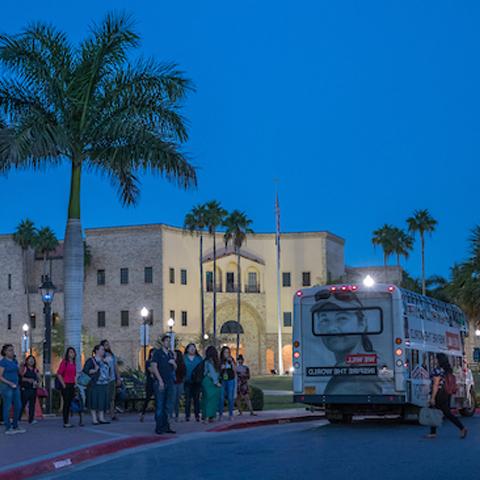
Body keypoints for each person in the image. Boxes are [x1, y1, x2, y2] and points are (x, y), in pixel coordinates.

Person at [427, 353, 467, 439]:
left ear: (438, 360)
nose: (433, 360)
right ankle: (433, 432)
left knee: (441, 411)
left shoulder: (437, 370)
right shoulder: (447, 369)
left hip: (439, 393)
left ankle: (462, 428)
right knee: (437, 410)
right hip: (446, 393)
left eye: (435, 359)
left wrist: (433, 397)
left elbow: (436, 384)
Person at [150, 335, 176, 434]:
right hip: (160, 382)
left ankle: (166, 426)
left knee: (167, 406)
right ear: (162, 342)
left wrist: (174, 364)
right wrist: (160, 380)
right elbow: (154, 367)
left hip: (170, 382)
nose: (168, 343)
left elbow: (174, 368)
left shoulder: (170, 354)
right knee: (160, 405)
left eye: (169, 341)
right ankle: (159, 427)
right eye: (166, 341)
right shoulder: (157, 353)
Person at [0, 344, 25, 434]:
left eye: (12, 350)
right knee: (7, 406)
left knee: (18, 405)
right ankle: (8, 427)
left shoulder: (14, 361)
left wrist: (22, 366)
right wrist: (9, 383)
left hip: (15, 386)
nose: (12, 352)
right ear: (5, 352)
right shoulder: (3, 362)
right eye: (10, 350)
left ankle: (15, 425)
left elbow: (20, 373)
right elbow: (0, 376)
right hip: (6, 387)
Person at [83, 345, 110, 425]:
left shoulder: (105, 361)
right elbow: (86, 371)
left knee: (102, 401)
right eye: (102, 349)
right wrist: (95, 370)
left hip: (104, 383)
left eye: (103, 350)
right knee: (94, 400)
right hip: (94, 384)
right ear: (97, 351)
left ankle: (101, 418)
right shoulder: (91, 360)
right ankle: (94, 419)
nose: (103, 351)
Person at [100, 340, 121, 421]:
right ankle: (102, 414)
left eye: (108, 344)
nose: (107, 346)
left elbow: (115, 367)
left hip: (111, 379)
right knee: (103, 397)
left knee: (112, 397)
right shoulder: (101, 355)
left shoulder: (112, 356)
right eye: (105, 345)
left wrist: (118, 378)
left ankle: (112, 414)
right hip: (103, 380)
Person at [57, 347, 77, 428]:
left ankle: (67, 420)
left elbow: (74, 375)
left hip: (72, 384)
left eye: (73, 352)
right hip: (66, 384)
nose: (72, 354)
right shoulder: (64, 362)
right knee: (66, 403)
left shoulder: (74, 363)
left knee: (69, 403)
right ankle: (65, 422)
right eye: (70, 352)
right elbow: (59, 374)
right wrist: (64, 384)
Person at [201, 346, 222, 423]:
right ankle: (209, 417)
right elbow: (212, 372)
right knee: (212, 400)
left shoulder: (206, 361)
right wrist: (216, 382)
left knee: (206, 399)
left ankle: (206, 416)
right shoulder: (211, 362)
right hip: (211, 381)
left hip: (206, 381)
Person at [183, 343, 203, 422]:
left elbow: (202, 369)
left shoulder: (199, 358)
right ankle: (187, 415)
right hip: (187, 381)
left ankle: (197, 415)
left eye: (194, 348)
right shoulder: (184, 358)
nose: (192, 349)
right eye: (191, 348)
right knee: (187, 399)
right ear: (187, 349)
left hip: (197, 382)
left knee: (196, 399)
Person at [19, 355, 40, 425]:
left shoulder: (36, 370)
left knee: (32, 405)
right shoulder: (24, 369)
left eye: (33, 360)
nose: (31, 361)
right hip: (25, 389)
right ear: (27, 361)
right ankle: (17, 418)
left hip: (33, 389)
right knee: (22, 404)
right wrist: (28, 380)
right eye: (30, 359)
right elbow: (20, 378)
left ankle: (31, 419)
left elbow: (38, 379)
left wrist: (37, 382)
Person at [219, 346, 236, 421]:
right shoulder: (220, 361)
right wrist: (221, 368)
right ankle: (220, 414)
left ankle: (231, 414)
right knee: (221, 398)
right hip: (223, 380)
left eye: (228, 352)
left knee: (230, 397)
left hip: (230, 380)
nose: (227, 354)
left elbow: (235, 370)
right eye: (225, 352)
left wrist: (231, 363)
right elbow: (217, 371)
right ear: (222, 353)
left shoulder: (231, 360)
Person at [139, 349, 155, 422]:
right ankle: (143, 414)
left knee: (158, 400)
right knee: (147, 399)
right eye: (153, 353)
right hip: (150, 383)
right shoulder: (148, 362)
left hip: (157, 382)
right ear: (150, 354)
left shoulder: (157, 362)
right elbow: (151, 370)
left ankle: (158, 416)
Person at [171, 349, 186, 422]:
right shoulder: (170, 362)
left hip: (179, 383)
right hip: (173, 383)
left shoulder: (181, 364)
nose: (173, 356)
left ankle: (176, 415)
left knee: (177, 400)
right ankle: (170, 415)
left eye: (174, 354)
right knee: (172, 399)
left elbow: (183, 373)